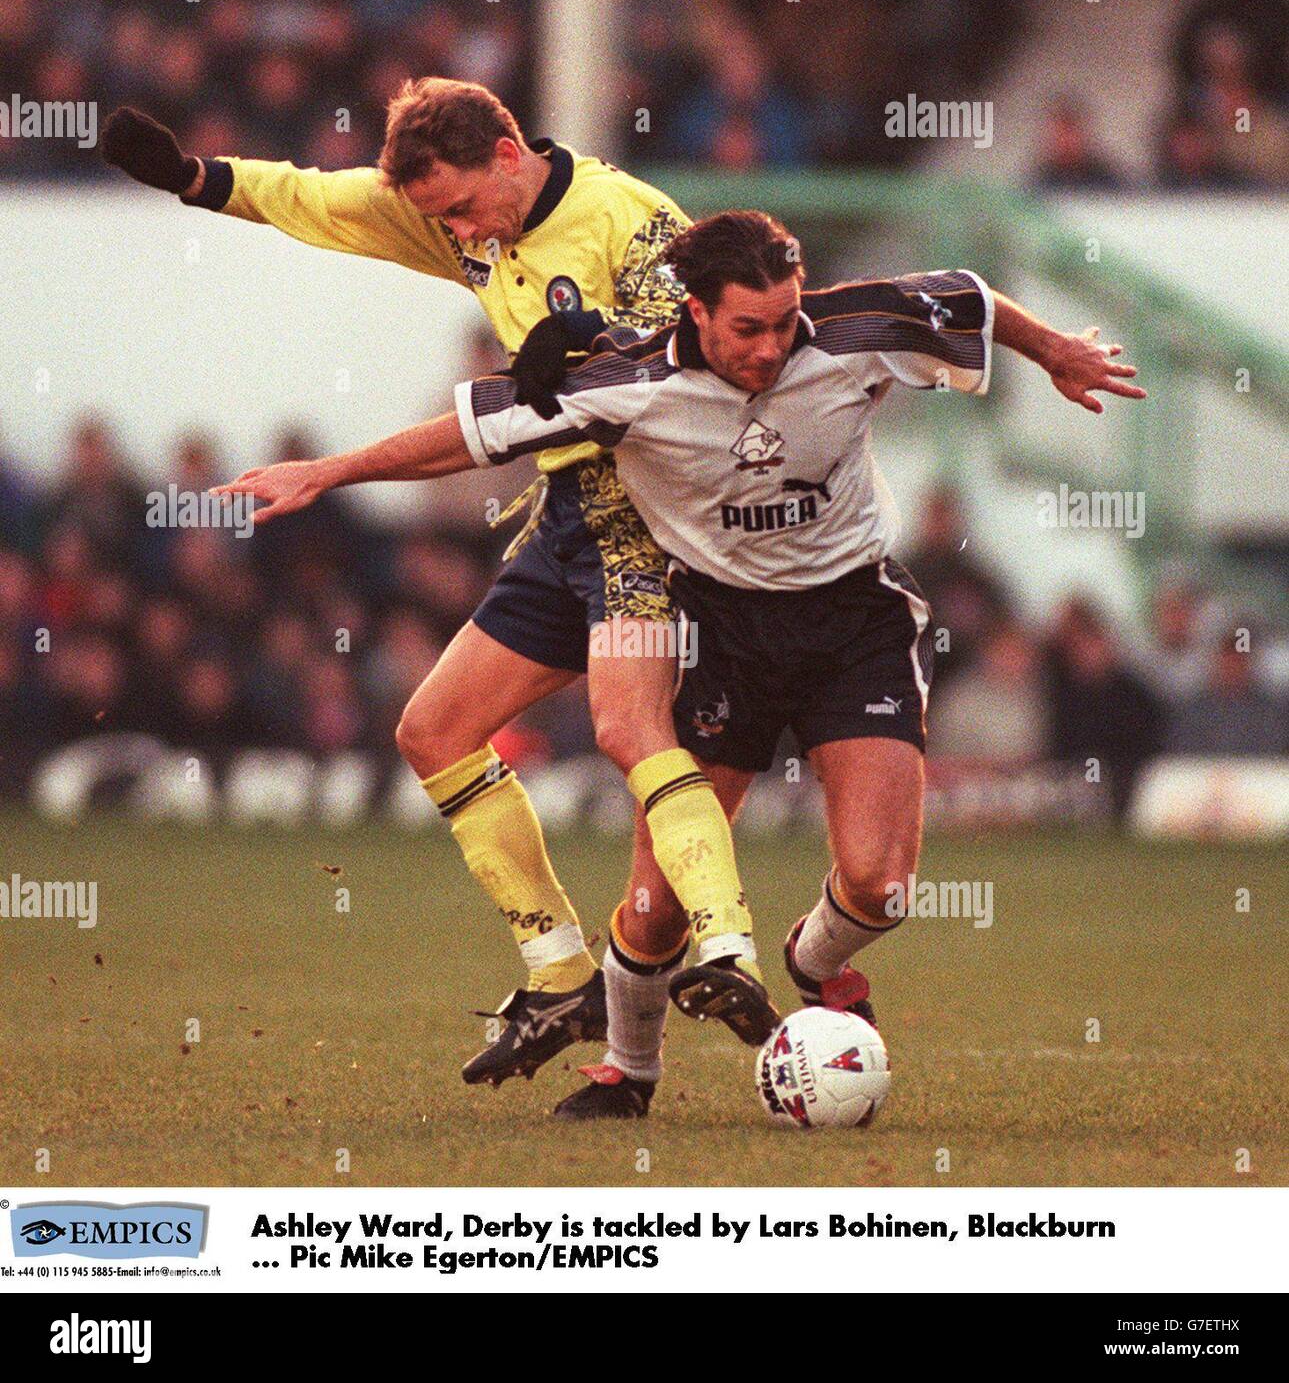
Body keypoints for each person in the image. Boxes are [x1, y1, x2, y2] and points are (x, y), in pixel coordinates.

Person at [214, 209, 1147, 1117]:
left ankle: (815, 962)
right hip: (715, 630)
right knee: (656, 911)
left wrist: (1058, 349)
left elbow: (970, 298)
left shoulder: (858, 327)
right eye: (748, 328)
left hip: (851, 621)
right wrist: (327, 472)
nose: (771, 346)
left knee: (880, 885)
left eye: (785, 322)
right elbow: (465, 433)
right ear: (694, 312)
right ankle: (628, 1070)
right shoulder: (626, 383)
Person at [103, 77, 771, 1085]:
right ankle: (556, 973)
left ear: (509, 152)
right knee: (432, 729)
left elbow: (718, 356)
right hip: (564, 515)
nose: (459, 232)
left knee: (630, 732)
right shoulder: (460, 221)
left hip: (654, 521)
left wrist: (601, 343)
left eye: (461, 206)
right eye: (440, 220)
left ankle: (728, 949)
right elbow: (315, 199)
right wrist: (198, 179)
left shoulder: (629, 223)